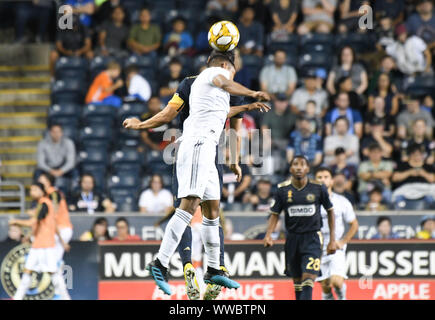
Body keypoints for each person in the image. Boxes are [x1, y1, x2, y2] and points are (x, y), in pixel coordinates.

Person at [124, 50, 270, 297]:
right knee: (189, 206)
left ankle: (213, 269)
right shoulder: (215, 73)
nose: (232, 75)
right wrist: (251, 92)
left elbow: (223, 113)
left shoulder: (211, 89)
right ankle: (159, 263)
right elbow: (222, 83)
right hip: (196, 145)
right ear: (224, 64)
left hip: (209, 147)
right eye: (232, 70)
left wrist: (247, 106)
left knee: (212, 211)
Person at [264, 156, 337, 300]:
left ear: (308, 169)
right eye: (295, 164)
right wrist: (268, 235)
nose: (299, 167)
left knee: (308, 279)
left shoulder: (318, 187)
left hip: (313, 238)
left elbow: (330, 211)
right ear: (290, 169)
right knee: (297, 284)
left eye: (302, 164)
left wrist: (332, 240)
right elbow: (275, 214)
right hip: (292, 239)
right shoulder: (282, 190)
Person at [9, 183, 70, 300]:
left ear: (42, 191)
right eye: (31, 190)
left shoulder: (44, 204)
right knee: (27, 271)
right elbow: (48, 225)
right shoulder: (43, 205)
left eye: (35, 189)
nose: (32, 192)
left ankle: (66, 298)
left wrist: (15, 221)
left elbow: (32, 222)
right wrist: (29, 235)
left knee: (54, 274)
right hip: (38, 245)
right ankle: (17, 297)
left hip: (46, 246)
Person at [315, 167, 358, 300]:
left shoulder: (342, 201)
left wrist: (343, 242)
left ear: (332, 181)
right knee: (326, 285)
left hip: (335, 246)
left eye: (326, 177)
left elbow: (354, 224)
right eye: (319, 177)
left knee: (336, 281)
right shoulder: (309, 202)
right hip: (316, 247)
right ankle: (328, 297)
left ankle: (341, 297)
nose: (323, 180)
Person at [38, 172, 73, 300]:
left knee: (52, 265)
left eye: (41, 179)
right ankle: (61, 295)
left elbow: (54, 214)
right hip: (57, 231)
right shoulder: (46, 195)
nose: (39, 181)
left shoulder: (53, 193)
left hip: (62, 229)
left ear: (47, 181)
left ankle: (62, 296)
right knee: (52, 264)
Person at [392, 144, 435, 209]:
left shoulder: (427, 166)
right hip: (406, 189)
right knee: (397, 198)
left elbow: (433, 179)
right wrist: (409, 173)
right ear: (410, 155)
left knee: (431, 198)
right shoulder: (404, 165)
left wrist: (423, 173)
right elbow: (395, 178)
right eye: (414, 155)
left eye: (419, 155)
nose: (417, 157)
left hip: (424, 190)